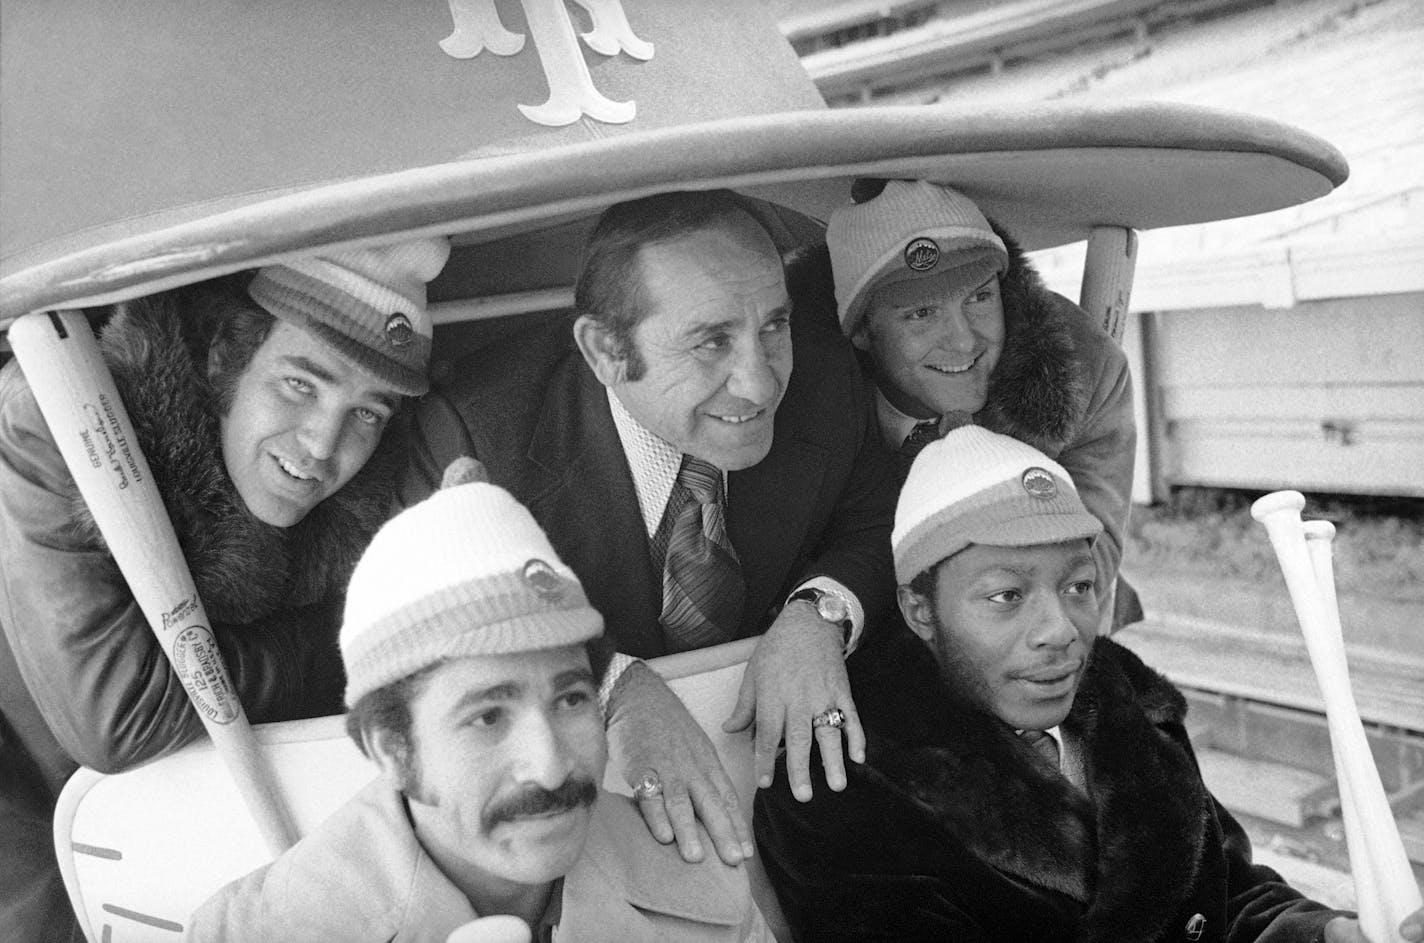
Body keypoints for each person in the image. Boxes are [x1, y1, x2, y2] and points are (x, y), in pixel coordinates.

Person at [755, 425, 1423, 942]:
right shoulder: (843, 789)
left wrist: (1316, 932)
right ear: (919, 610)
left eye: (1078, 586)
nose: (1061, 629)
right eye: (1006, 595)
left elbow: (1226, 893)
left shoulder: (1132, 709)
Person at [402, 189, 898, 870]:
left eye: (773, 326)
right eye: (711, 341)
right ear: (605, 350)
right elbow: (451, 618)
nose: (760, 385)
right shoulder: (477, 434)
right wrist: (613, 686)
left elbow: (874, 514)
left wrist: (820, 612)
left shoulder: (825, 374)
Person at [0, 237, 450, 943]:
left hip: (241, 829)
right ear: (223, 360)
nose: (323, 445)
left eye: (368, 411)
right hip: (40, 814)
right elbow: (119, 717)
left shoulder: (373, 485)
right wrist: (343, 634)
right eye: (300, 384)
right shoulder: (55, 415)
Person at [188, 460, 772, 943]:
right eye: (488, 716)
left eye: (571, 699)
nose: (551, 766)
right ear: (393, 751)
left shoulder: (706, 898)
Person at [813, 177, 1139, 629]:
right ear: (863, 331)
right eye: (921, 313)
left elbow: (1088, 556)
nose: (965, 340)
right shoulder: (796, 390)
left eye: (980, 298)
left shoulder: (1085, 368)